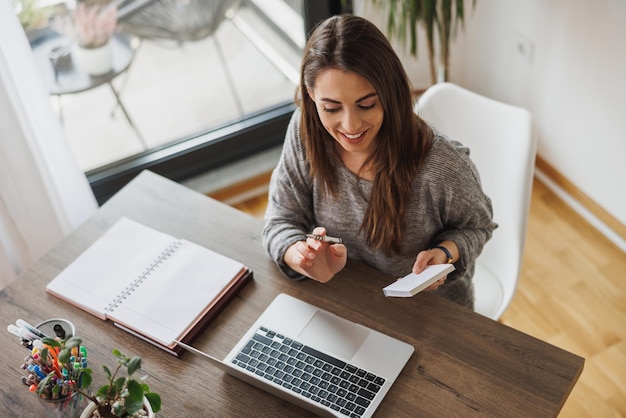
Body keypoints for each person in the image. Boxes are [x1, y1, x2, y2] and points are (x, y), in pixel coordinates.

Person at [262, 14, 497, 309]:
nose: (350, 125)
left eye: (367, 104)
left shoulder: (440, 165)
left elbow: (478, 227)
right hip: (345, 300)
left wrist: (445, 253)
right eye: (332, 108)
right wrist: (301, 257)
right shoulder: (305, 132)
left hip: (430, 314)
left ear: (389, 93)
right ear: (311, 95)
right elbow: (280, 218)